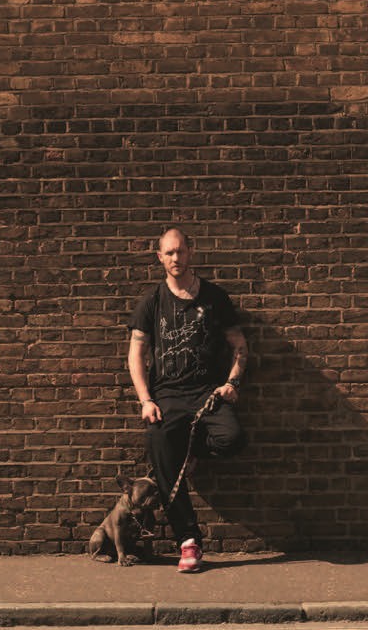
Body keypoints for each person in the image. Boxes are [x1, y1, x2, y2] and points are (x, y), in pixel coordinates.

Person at [128, 226, 248, 573]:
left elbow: (240, 345)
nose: (175, 258)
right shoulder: (152, 302)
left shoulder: (214, 298)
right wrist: (146, 400)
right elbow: (136, 355)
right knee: (158, 445)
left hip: (207, 392)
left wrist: (232, 382)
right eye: (169, 252)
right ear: (160, 257)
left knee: (232, 439)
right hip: (167, 395)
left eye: (180, 251)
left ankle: (190, 448)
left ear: (190, 252)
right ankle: (188, 540)